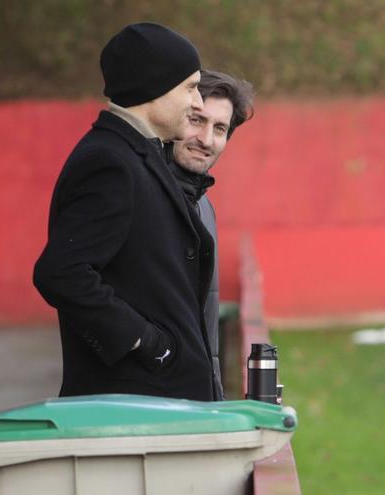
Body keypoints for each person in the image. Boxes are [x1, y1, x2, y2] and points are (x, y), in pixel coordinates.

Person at [33, 22, 219, 401]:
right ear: (155, 88)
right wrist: (149, 345)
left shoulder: (134, 154)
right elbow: (61, 274)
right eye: (190, 87)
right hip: (136, 405)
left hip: (153, 402)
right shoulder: (111, 162)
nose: (198, 102)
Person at [168, 70, 255, 400]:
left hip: (194, 400)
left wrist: (214, 399)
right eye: (196, 120)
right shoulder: (140, 192)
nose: (206, 139)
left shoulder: (204, 205)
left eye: (219, 129)